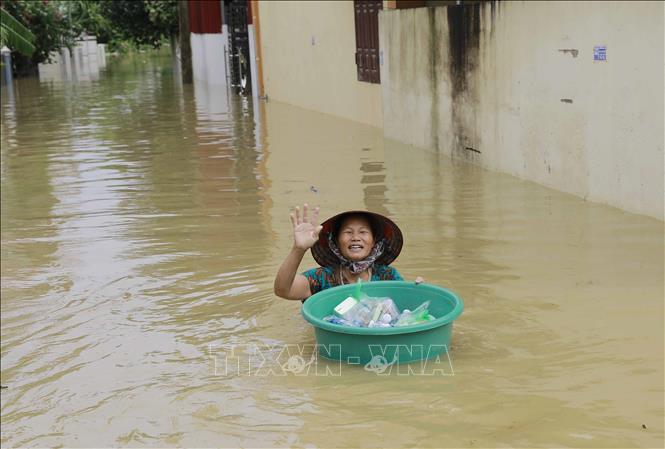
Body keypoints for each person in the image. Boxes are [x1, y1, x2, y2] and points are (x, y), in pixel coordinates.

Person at [274, 204, 416, 301]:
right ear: (335, 242)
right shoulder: (321, 278)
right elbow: (283, 290)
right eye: (348, 232)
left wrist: (417, 290)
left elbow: (407, 306)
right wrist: (298, 249)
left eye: (363, 232)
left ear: (373, 242)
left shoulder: (388, 276)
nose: (355, 238)